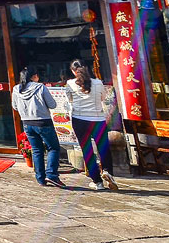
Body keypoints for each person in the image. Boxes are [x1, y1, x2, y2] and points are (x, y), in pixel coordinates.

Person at [67, 59, 118, 191]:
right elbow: (102, 98)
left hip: (79, 120)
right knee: (103, 148)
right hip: (97, 119)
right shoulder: (97, 82)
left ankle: (97, 182)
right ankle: (107, 171)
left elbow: (70, 100)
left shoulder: (70, 83)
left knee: (87, 150)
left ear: (73, 71)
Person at [12, 65, 64, 188]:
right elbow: (52, 104)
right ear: (34, 76)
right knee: (54, 148)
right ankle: (51, 175)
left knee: (36, 150)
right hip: (43, 122)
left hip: (27, 123)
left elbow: (14, 107)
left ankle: (40, 178)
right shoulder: (40, 87)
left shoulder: (16, 89)